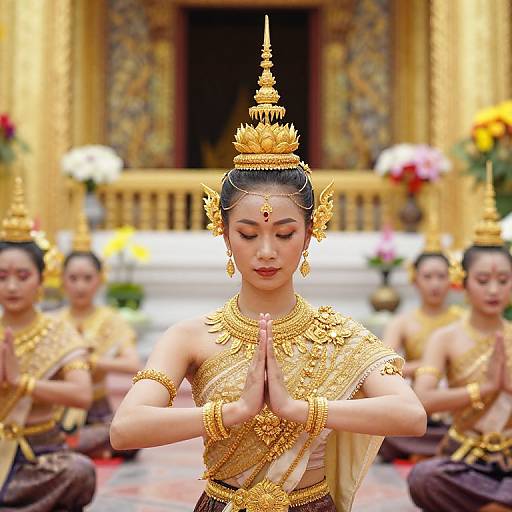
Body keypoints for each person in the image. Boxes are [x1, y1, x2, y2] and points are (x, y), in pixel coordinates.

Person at [110, 16, 426, 512]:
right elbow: (125, 428)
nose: (266, 251)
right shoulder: (192, 337)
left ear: (309, 234)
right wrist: (229, 413)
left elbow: (412, 416)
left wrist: (302, 409)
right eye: (248, 233)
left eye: (283, 234)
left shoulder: (339, 335)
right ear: (223, 232)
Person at [408, 163, 512, 511]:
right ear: (464, 283)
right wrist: (481, 391)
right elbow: (420, 402)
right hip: (467, 456)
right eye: (483, 281)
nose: (494, 289)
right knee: (423, 480)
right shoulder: (446, 338)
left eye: (503, 280)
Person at [0, 177, 96, 511]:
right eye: (2, 276)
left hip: (39, 456)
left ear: (41, 281)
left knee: (79, 472)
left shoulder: (59, 331)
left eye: (22, 276)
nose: (11, 286)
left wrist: (22, 384)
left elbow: (82, 395)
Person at [380, 196, 462, 462]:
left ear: (452, 280)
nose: (435, 284)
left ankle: (440, 447)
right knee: (380, 432)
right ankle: (441, 449)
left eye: (441, 276)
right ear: (416, 280)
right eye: (428, 276)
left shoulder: (463, 319)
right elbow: (385, 369)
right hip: (417, 410)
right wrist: (429, 366)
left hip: (455, 410)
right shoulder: (403, 321)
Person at [58, 210, 141, 459]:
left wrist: (93, 362)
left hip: (97, 412)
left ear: (99, 280)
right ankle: (73, 444)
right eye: (73, 278)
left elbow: (132, 364)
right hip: (58, 410)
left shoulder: (111, 319)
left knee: (132, 435)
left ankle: (68, 445)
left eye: (87, 278)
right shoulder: (53, 321)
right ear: (62, 281)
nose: (80, 285)